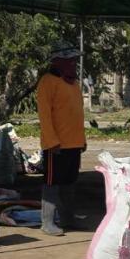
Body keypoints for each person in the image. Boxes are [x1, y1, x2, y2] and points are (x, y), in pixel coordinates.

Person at [36, 40, 86, 236]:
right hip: (56, 145)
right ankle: (47, 222)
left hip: (74, 143)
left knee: (69, 182)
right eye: (69, 60)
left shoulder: (74, 84)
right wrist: (51, 141)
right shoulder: (47, 82)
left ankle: (68, 218)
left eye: (74, 60)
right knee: (52, 183)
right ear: (57, 62)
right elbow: (45, 115)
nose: (73, 63)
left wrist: (82, 139)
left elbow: (78, 113)